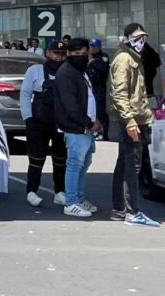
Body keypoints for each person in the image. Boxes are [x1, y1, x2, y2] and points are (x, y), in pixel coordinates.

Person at [108, 23, 160, 227]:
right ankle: (132, 211)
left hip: (135, 118)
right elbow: (120, 94)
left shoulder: (131, 57)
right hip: (132, 120)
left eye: (143, 37)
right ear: (127, 37)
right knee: (132, 165)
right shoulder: (124, 59)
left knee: (124, 164)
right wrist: (130, 121)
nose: (141, 41)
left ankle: (120, 209)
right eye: (137, 37)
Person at [54, 38, 101, 218]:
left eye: (83, 53)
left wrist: (95, 120)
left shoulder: (81, 71)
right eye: (76, 53)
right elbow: (70, 105)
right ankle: (71, 202)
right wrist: (89, 123)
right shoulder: (66, 73)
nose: (80, 57)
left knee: (84, 163)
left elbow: (88, 97)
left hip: (85, 126)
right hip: (76, 127)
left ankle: (79, 199)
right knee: (74, 164)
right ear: (68, 54)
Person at [19, 40, 68, 207]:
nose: (58, 57)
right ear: (47, 53)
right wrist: (28, 118)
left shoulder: (68, 71)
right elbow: (25, 95)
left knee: (60, 158)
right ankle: (31, 191)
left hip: (61, 122)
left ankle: (60, 191)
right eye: (55, 53)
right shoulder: (34, 71)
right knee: (36, 158)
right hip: (39, 121)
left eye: (62, 54)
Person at [87, 39, 110, 141]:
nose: (92, 48)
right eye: (91, 46)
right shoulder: (90, 58)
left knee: (100, 110)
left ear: (99, 47)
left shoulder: (103, 57)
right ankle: (95, 130)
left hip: (99, 87)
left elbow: (103, 68)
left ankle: (104, 132)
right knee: (92, 110)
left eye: (94, 46)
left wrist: (93, 62)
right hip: (90, 87)